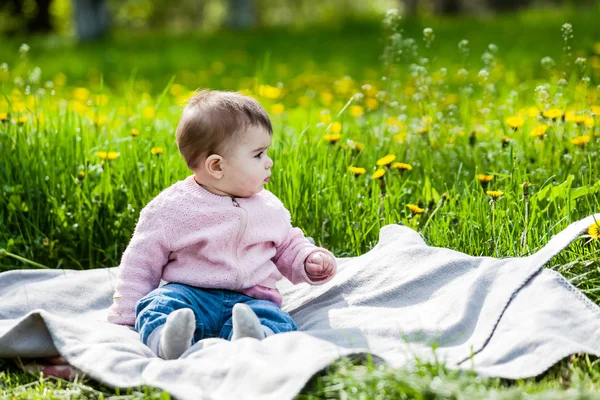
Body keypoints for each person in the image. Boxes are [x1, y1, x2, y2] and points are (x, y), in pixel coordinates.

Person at [107, 89, 337, 360]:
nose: (269, 161)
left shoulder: (269, 206)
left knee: (275, 318)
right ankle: (168, 341)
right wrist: (126, 313)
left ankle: (251, 339)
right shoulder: (171, 208)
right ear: (216, 166)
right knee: (157, 306)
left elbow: (287, 244)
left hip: (252, 299)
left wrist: (308, 259)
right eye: (258, 154)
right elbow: (140, 261)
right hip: (190, 294)